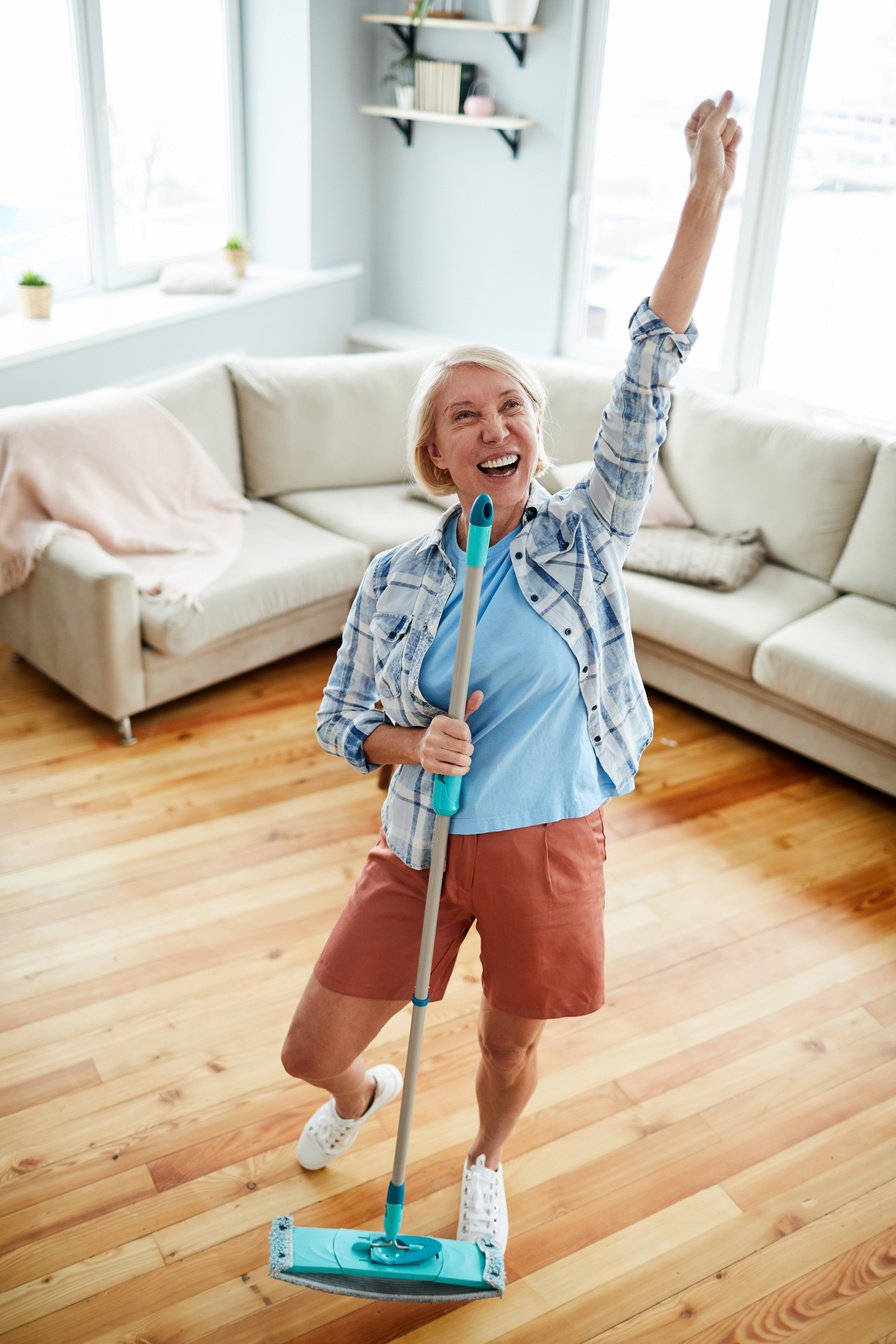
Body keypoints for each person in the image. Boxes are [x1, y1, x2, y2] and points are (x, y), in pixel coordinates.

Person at [281, 91, 743, 1251]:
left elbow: (649, 371)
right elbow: (341, 721)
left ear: (533, 431)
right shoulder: (393, 577)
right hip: (421, 845)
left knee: (506, 1043)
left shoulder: (583, 533)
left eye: (511, 408)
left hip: (546, 838)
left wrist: (704, 197)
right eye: (463, 415)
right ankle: (360, 1099)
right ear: (436, 453)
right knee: (312, 1046)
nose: (493, 427)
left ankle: (486, 1160)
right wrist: (407, 742)